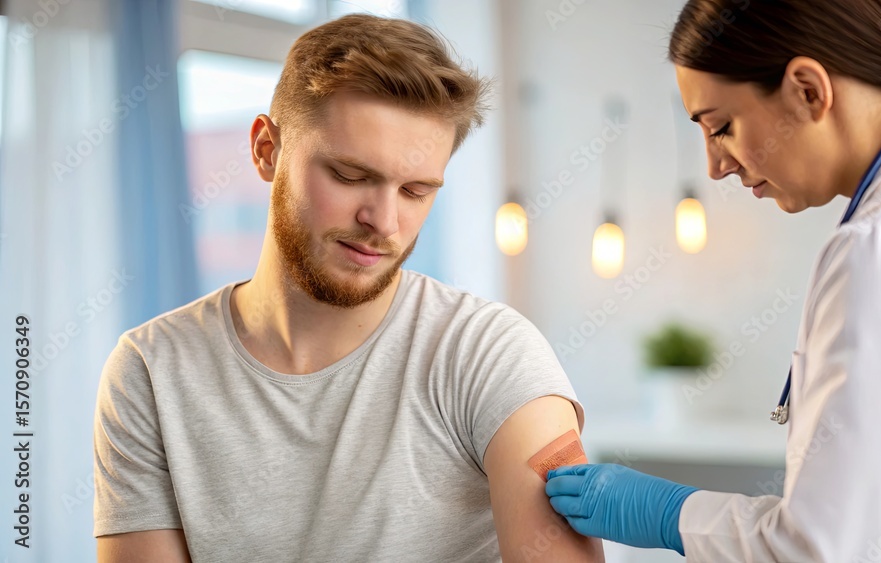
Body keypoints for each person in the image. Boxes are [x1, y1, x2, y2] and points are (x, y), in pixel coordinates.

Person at [93, 14, 604, 562]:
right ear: (267, 149)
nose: (384, 221)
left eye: (414, 190)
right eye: (350, 175)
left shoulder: (492, 355)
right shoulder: (150, 371)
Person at [545, 0, 881, 561]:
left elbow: (819, 551)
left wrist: (668, 513)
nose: (715, 166)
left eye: (721, 127)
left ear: (808, 89)